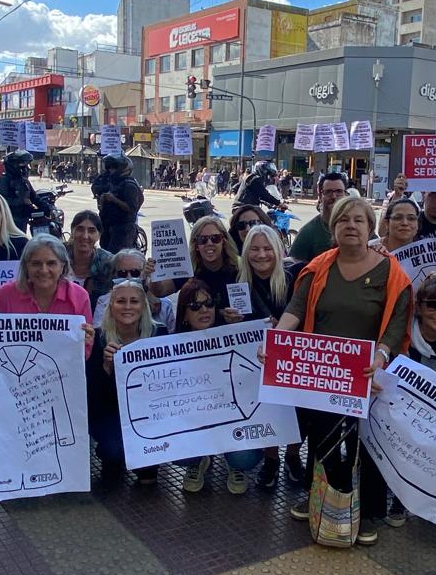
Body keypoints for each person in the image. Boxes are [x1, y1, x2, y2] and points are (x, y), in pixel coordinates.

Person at [274, 196, 413, 546]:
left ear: (370, 227)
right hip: (323, 372)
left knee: (362, 444)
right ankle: (320, 499)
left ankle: (365, 512)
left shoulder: (390, 271)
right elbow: (296, 308)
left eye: (358, 220)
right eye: (343, 220)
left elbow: (396, 325)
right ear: (333, 227)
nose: (351, 225)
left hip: (367, 374)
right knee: (323, 438)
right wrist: (276, 340)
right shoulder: (319, 266)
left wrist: (380, 356)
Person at [171, 278, 264, 495]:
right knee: (178, 451)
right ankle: (198, 459)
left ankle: (234, 464)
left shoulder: (236, 337)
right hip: (194, 421)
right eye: (195, 306)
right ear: (184, 313)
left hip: (234, 420)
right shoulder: (170, 346)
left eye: (209, 303)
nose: (204, 310)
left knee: (245, 458)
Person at [237, 223, 297, 489]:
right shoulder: (238, 282)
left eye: (267, 248)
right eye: (255, 249)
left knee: (297, 409)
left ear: (278, 249)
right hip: (255, 358)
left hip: (290, 356)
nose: (261, 255)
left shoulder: (293, 277)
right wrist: (231, 318)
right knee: (265, 406)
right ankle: (271, 457)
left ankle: (293, 455)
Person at [89, 278, 166, 483]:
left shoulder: (159, 333)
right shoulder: (98, 339)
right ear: (111, 306)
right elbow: (92, 396)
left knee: (148, 472)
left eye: (134, 301)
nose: (128, 307)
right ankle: (110, 455)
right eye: (121, 301)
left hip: (149, 411)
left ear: (144, 306)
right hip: (110, 411)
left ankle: (147, 462)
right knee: (112, 452)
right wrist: (107, 369)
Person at [0, 235, 94, 332]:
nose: (44, 270)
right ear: (26, 266)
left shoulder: (79, 296)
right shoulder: (6, 295)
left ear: (62, 266)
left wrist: (86, 338)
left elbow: (85, 342)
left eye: (51, 263)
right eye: (36, 264)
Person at [288, 171, 348, 262]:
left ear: (346, 195)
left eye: (339, 191)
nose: (334, 196)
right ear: (320, 196)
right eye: (328, 192)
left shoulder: (357, 227)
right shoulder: (308, 233)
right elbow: (293, 265)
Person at [92, 153, 144, 252]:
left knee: (115, 255)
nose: (111, 170)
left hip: (122, 228)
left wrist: (114, 199)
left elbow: (132, 208)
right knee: (105, 253)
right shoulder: (111, 182)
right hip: (107, 225)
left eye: (114, 167)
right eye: (110, 167)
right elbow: (96, 188)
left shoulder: (129, 185)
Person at [65, 210, 114, 311]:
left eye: (91, 231)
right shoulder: (58, 256)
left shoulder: (108, 263)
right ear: (72, 231)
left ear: (99, 235)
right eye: (80, 229)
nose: (85, 236)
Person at [0, 150, 38, 232]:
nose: (25, 168)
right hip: (8, 221)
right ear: (12, 165)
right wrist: (22, 201)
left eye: (26, 164)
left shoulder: (24, 181)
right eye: (22, 164)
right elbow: (1, 201)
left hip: (23, 219)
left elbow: (34, 197)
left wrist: (48, 208)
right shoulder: (3, 180)